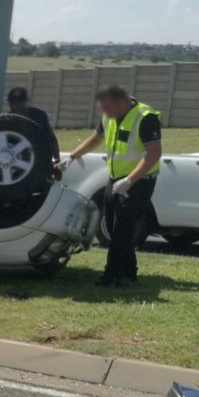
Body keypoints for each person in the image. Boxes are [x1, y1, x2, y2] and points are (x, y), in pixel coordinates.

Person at [63, 85, 162, 288]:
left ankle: (111, 276)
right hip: (116, 177)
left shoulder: (145, 116)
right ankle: (129, 272)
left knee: (121, 229)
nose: (104, 113)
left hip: (139, 180)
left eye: (107, 108)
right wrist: (72, 157)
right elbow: (95, 139)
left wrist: (130, 181)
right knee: (111, 225)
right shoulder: (109, 116)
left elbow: (154, 154)